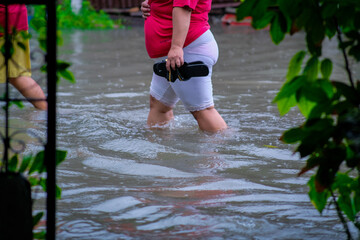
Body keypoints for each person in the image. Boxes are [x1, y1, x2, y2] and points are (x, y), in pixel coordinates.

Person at [141, 0, 227, 132]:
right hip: (173, 54)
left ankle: (223, 149)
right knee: (159, 106)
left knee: (203, 110)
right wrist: (153, 5)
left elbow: (184, 7)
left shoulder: (178, 48)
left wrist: (176, 47)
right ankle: (161, 150)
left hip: (186, 50)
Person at [0, 4, 47, 110]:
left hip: (5, 19)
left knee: (17, 76)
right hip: (15, 15)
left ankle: (45, 111)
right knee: (17, 76)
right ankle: (45, 112)